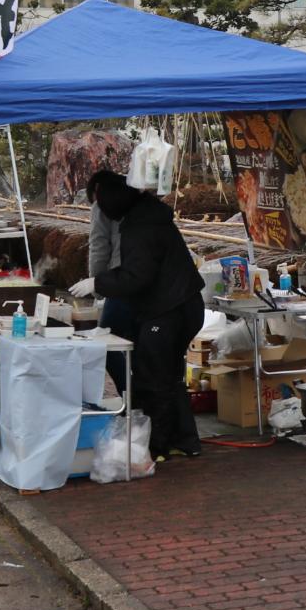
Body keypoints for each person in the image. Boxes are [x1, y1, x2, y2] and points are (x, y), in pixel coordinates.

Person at [91, 170, 204, 461]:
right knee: (167, 375)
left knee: (154, 377)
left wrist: (96, 282)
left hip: (169, 311)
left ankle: (157, 446)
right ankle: (186, 441)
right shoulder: (145, 215)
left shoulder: (141, 226)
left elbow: (137, 276)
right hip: (179, 306)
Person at [84, 169, 134, 340]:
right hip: (150, 284)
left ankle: (124, 368)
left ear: (97, 190)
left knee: (106, 343)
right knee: (135, 343)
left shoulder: (102, 205)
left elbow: (99, 247)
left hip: (121, 282)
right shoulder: (142, 202)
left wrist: (96, 285)